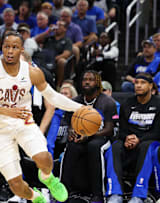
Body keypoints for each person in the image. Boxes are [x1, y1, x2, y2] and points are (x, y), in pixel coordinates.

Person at [0, 31, 85, 203]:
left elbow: (53, 98)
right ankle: (35, 197)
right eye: (7, 47)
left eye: (15, 47)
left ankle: (48, 178)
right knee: (16, 185)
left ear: (22, 51)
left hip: (24, 123)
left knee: (45, 158)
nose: (10, 51)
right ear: (1, 48)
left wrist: (80, 108)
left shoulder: (33, 72)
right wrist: (3, 115)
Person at [60, 70, 117, 203]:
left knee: (94, 146)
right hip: (82, 138)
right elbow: (69, 124)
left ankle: (98, 194)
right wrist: (71, 131)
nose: (86, 82)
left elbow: (109, 129)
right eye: (84, 79)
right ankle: (64, 191)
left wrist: (88, 135)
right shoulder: (75, 102)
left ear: (97, 83)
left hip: (102, 138)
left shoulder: (107, 102)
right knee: (72, 147)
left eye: (90, 79)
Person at [106, 73, 160, 203]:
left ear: (150, 86)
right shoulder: (127, 104)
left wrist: (138, 139)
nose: (138, 86)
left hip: (150, 142)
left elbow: (158, 132)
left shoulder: (158, 104)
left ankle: (139, 195)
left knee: (147, 146)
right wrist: (127, 138)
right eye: (136, 83)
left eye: (143, 83)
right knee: (115, 146)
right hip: (130, 142)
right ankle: (115, 193)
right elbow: (122, 131)